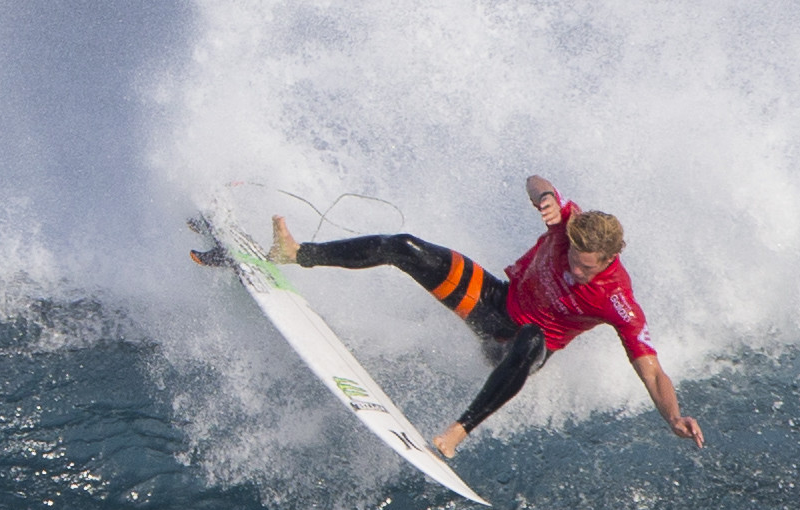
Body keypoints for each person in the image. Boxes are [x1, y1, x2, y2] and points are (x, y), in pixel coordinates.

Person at [265, 174, 702, 460]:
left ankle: (455, 434)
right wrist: (545, 196)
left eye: (586, 267)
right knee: (403, 246)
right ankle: (297, 253)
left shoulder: (617, 299)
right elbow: (535, 182)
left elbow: (652, 372)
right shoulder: (568, 222)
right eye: (572, 257)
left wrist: (672, 416)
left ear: (610, 258)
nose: (574, 269)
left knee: (533, 338)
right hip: (493, 303)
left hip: (515, 349)